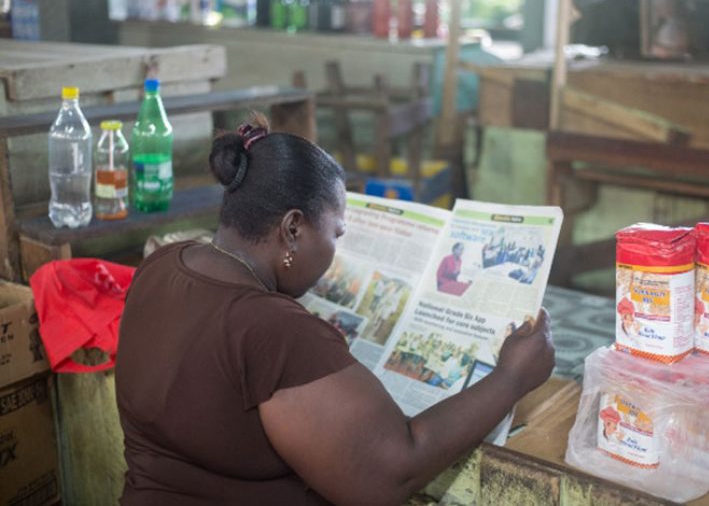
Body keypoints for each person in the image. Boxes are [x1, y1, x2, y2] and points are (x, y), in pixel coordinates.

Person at [115, 112, 555, 506]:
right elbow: (393, 470)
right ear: (292, 228)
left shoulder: (161, 264)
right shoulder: (275, 330)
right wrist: (511, 377)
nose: (336, 252)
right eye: (337, 234)